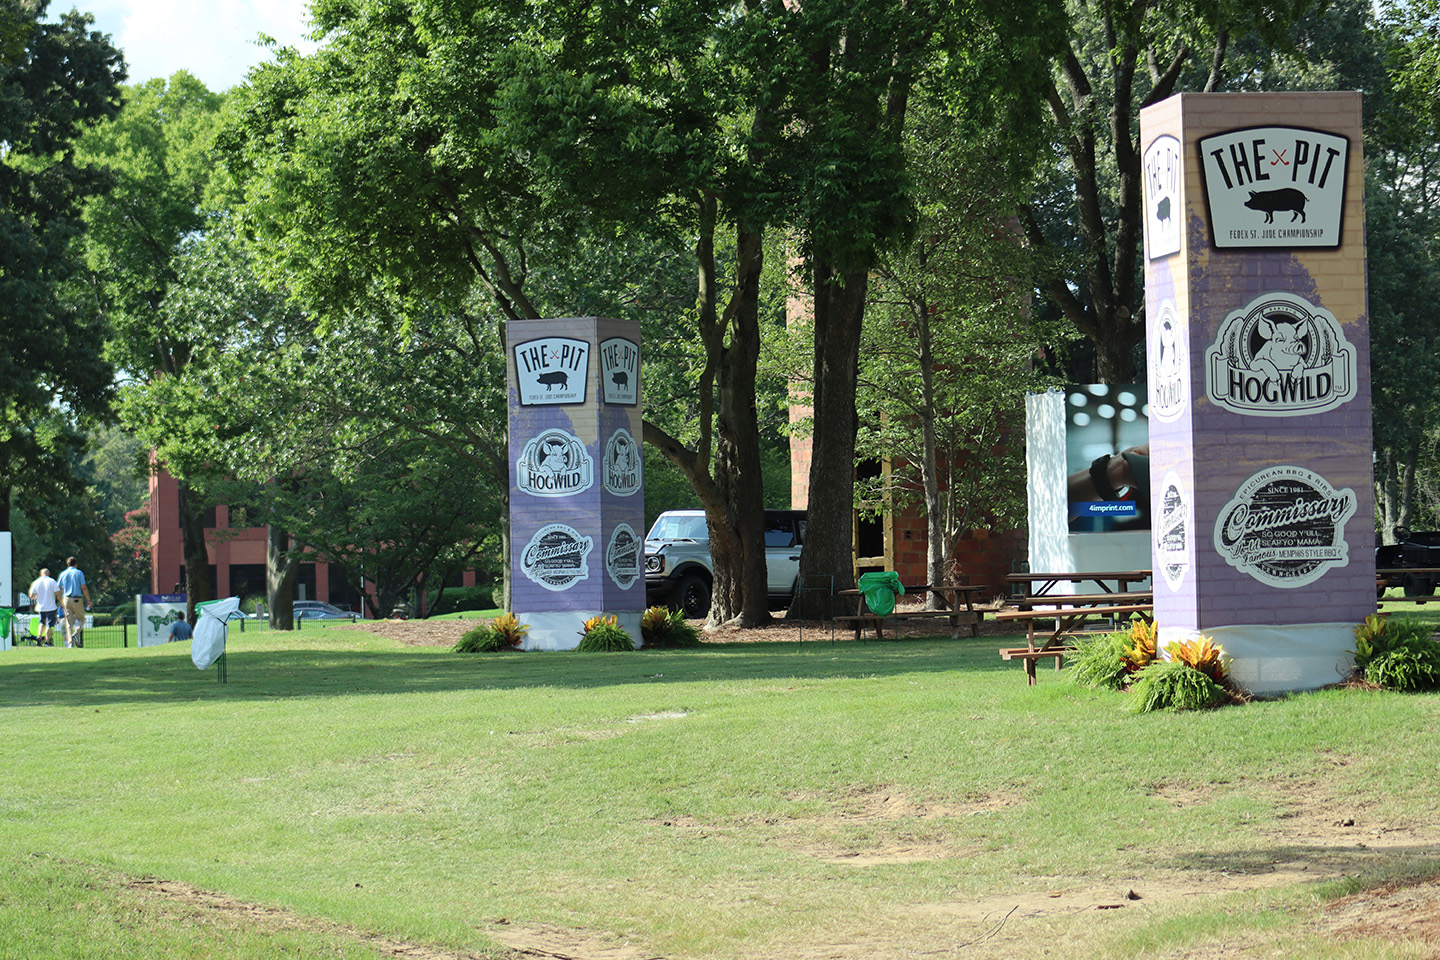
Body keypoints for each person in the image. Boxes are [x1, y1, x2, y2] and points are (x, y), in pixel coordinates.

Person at [57, 556, 91, 649]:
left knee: (69, 622)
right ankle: (76, 634)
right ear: (76, 563)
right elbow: (83, 587)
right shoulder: (79, 573)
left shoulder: (63, 573)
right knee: (81, 618)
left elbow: (59, 588)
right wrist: (88, 600)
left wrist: (60, 601)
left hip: (66, 598)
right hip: (76, 598)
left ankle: (70, 643)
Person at [27, 567, 62, 647]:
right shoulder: (52, 581)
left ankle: (39, 636)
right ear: (48, 573)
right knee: (50, 624)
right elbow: (58, 593)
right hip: (51, 606)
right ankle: (47, 641)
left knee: (41, 622)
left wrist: (36, 597)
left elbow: (31, 595)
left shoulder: (36, 582)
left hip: (40, 606)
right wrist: (61, 602)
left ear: (40, 574)